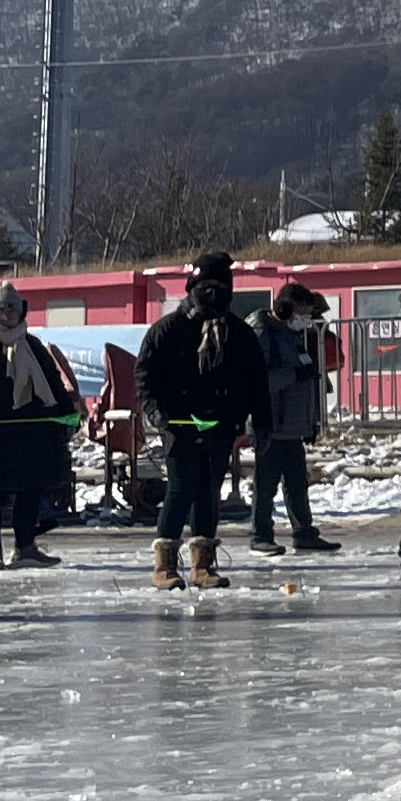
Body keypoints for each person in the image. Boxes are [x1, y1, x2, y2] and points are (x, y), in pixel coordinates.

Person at [141, 251, 264, 589]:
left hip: (221, 424)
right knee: (181, 488)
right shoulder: (167, 330)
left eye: (220, 286)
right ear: (192, 287)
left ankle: (202, 563)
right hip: (179, 424)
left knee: (209, 489)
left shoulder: (238, 333)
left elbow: (255, 380)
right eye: (205, 286)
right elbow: (146, 377)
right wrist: (158, 413)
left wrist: (258, 420)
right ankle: (164, 563)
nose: (213, 294)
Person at [0, 281, 85, 569]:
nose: (7, 315)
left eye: (13, 310)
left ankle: (25, 547)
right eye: (1, 310)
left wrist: (68, 415)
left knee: (29, 489)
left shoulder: (30, 344)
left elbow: (53, 384)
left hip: (29, 432)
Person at [248, 280, 342, 556]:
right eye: (302, 312)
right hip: (271, 423)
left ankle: (304, 532)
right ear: (286, 309)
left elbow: (308, 378)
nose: (306, 319)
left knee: (297, 484)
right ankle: (260, 535)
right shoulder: (263, 333)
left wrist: (310, 421)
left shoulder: (296, 335)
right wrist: (293, 376)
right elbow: (258, 381)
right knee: (265, 485)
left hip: (294, 423)